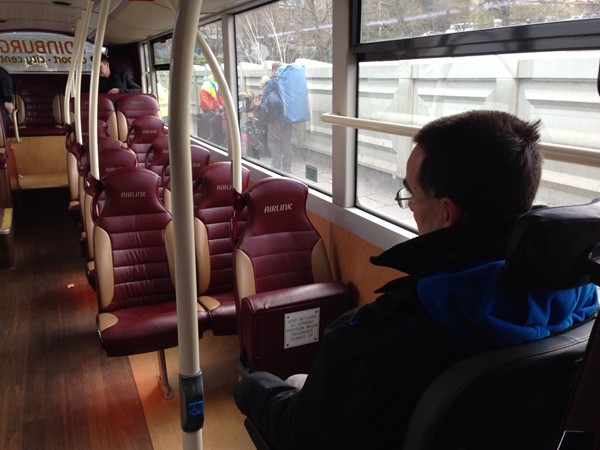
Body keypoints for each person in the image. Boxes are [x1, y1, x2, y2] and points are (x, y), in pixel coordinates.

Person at [233, 110, 599, 449]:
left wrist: (254, 386)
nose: (408, 205)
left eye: (412, 194)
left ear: (446, 212)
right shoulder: (582, 306)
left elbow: (303, 435)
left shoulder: (382, 335)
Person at [257, 62, 293, 173]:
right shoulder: (288, 83)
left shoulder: (271, 82)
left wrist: (260, 120)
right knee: (286, 143)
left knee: (274, 143)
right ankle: (287, 168)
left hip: (274, 120)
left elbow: (263, 103)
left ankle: (276, 167)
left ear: (273, 71)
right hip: (288, 120)